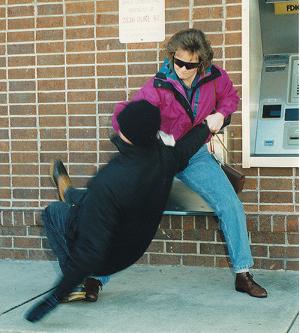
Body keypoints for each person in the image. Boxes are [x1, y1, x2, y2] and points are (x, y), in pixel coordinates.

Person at [112, 29, 267, 298]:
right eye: (178, 61)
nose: (182, 69)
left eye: (189, 65)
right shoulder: (158, 86)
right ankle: (95, 277)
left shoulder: (215, 77)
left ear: (202, 63)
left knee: (230, 204)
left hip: (194, 156)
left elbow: (230, 97)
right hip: (160, 156)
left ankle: (243, 274)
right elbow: (126, 115)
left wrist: (221, 113)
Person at [25, 99, 210, 322]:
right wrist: (209, 125)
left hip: (107, 257)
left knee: (53, 212)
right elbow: (185, 149)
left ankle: (76, 282)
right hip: (133, 249)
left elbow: (89, 252)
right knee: (88, 200)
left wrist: (53, 299)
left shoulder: (109, 180)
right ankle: (71, 193)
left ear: (126, 133)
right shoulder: (164, 158)